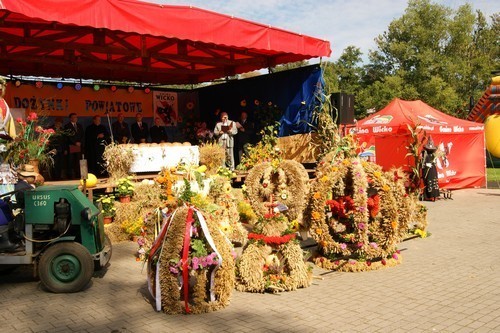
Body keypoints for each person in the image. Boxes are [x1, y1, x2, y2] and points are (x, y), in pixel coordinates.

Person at [64, 112, 84, 179]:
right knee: (71, 161)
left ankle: (78, 175)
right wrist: (75, 142)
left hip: (78, 145)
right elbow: (68, 136)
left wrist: (80, 142)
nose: (75, 118)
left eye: (76, 117)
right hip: (72, 145)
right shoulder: (67, 126)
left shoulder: (80, 125)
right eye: (74, 117)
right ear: (70, 118)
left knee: (78, 161)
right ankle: (69, 176)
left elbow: (82, 135)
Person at [422, 136, 439, 201]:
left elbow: (435, 162)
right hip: (427, 170)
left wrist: (434, 162)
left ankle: (435, 195)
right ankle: (429, 196)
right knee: (429, 181)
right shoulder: (424, 153)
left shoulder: (434, 154)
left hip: (433, 169)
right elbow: (422, 163)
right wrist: (427, 165)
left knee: (434, 181)